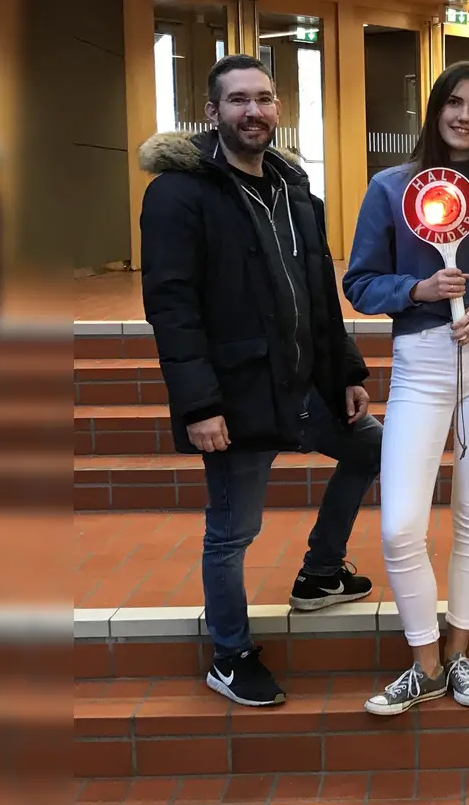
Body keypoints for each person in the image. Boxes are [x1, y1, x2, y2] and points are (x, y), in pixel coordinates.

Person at [139, 54, 380, 709]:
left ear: (279, 109)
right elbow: (171, 306)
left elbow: (318, 296)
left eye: (265, 99)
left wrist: (348, 372)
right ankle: (229, 652)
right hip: (236, 395)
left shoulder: (295, 190)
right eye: (238, 100)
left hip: (305, 384)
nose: (254, 111)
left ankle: (321, 571)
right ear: (212, 112)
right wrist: (198, 404)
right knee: (233, 530)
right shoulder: (178, 194)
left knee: (371, 447)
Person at [343, 61, 469, 715]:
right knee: (401, 526)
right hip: (421, 363)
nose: (464, 116)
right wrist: (417, 289)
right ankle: (424, 660)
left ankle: (457, 653)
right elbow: (360, 282)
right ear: (435, 108)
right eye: (454, 103)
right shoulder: (392, 187)